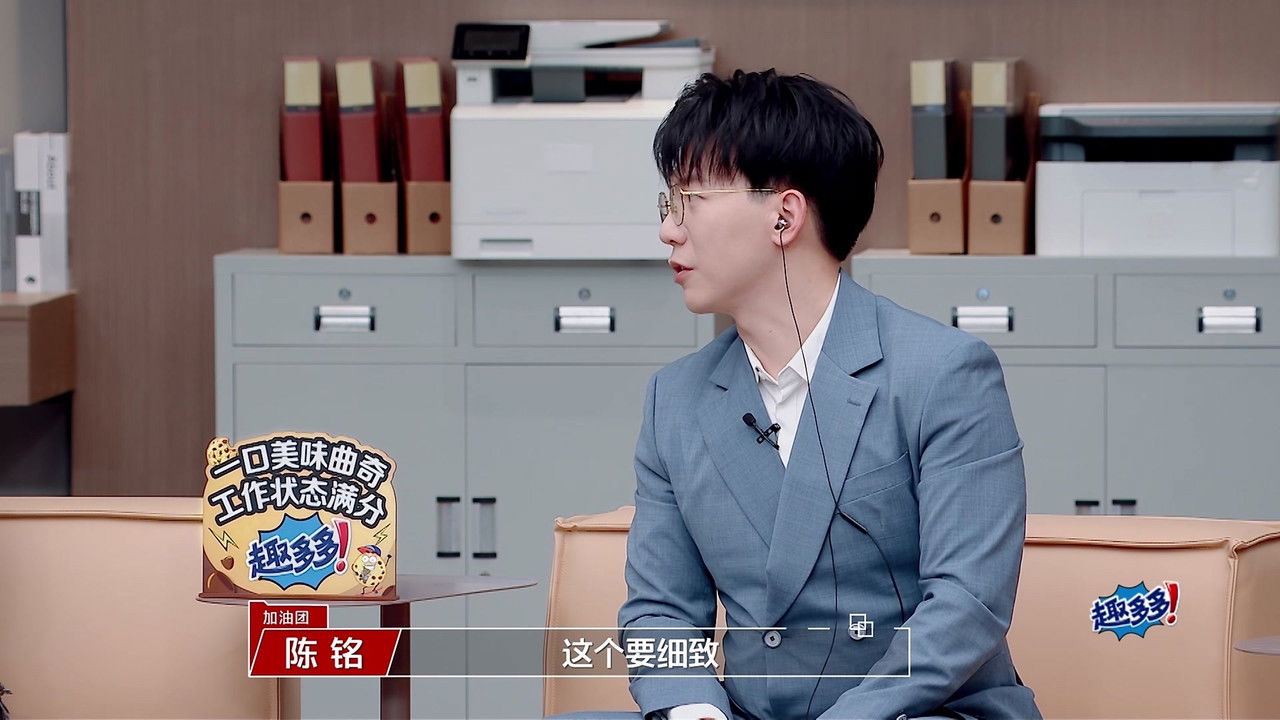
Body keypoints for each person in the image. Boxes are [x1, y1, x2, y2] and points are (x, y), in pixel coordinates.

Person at [616, 69, 1042, 720]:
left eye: (689, 200)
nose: (668, 231)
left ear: (784, 215)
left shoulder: (943, 374)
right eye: (665, 205)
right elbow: (660, 609)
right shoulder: (674, 399)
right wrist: (693, 711)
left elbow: (966, 604)